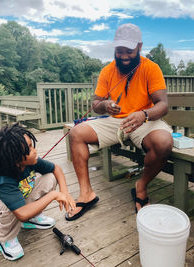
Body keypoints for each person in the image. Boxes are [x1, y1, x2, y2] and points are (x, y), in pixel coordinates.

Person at [65, 23, 173, 221]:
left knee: (163, 142)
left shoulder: (151, 68)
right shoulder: (107, 71)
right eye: (119, 50)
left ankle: (141, 187)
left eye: (129, 51)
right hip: (115, 121)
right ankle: (86, 193)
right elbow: (95, 104)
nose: (123, 56)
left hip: (144, 120)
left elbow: (163, 105)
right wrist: (105, 105)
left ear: (139, 47)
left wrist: (144, 114)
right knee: (76, 133)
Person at [0, 123, 76, 261]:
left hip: (18, 200)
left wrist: (65, 192)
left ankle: (33, 218)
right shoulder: (3, 179)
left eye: (32, 145)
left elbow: (56, 169)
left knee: (50, 177)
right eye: (30, 148)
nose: (35, 150)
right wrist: (54, 195)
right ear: (16, 161)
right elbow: (22, 213)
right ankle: (5, 237)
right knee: (11, 207)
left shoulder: (31, 161)